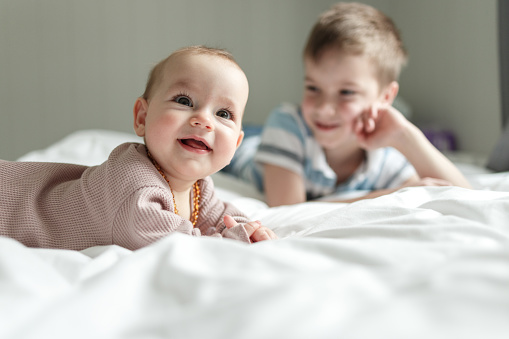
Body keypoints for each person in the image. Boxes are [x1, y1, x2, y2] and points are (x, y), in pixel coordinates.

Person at [0, 45, 277, 251]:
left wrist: (249, 228)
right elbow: (180, 249)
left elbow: (220, 216)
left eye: (224, 114)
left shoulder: (198, 187)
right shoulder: (134, 185)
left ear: (237, 144)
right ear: (142, 118)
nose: (204, 120)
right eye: (184, 100)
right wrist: (231, 241)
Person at [223, 2, 471, 206]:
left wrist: (407, 136)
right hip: (250, 149)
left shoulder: (384, 154)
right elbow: (288, 209)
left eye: (346, 92)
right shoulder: (287, 125)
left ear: (385, 97)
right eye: (313, 88)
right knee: (226, 137)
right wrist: (392, 194)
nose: (324, 108)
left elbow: (466, 195)